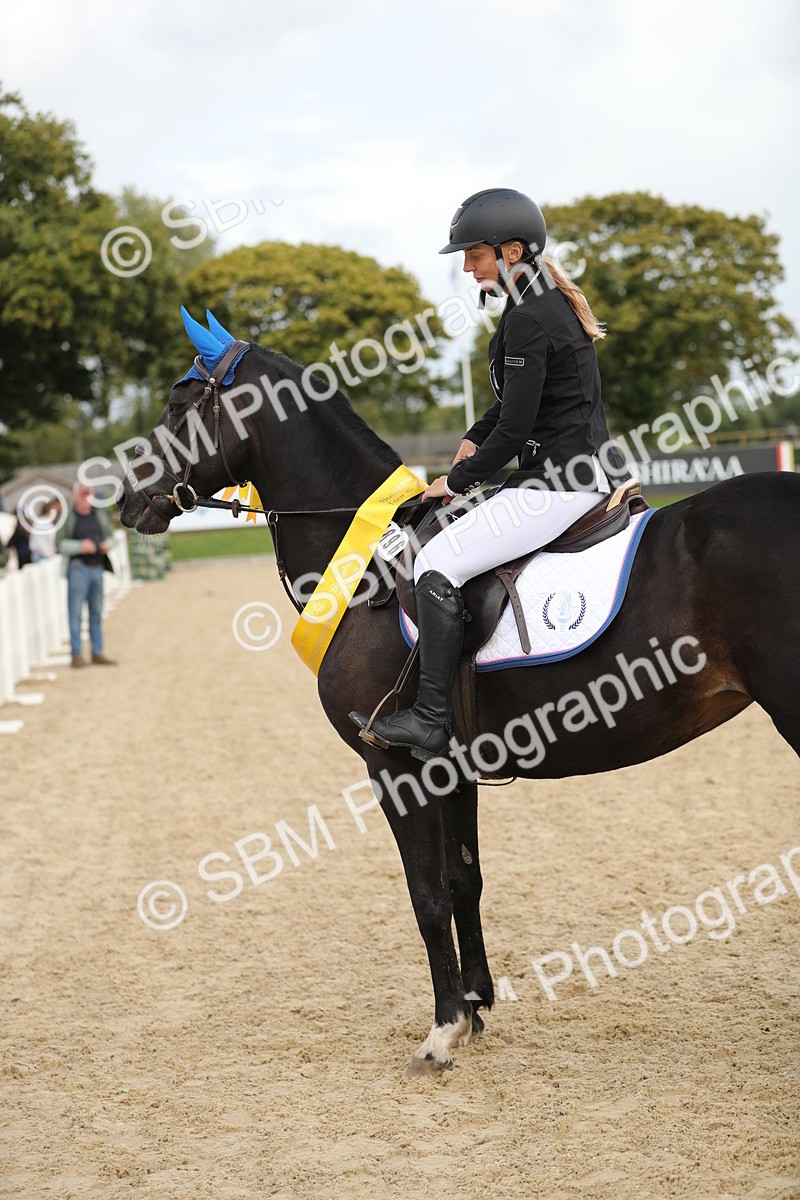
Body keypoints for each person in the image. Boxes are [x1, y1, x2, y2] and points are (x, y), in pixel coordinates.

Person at [351, 187, 631, 761]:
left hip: (560, 484)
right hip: (567, 473)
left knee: (434, 564)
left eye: (474, 255)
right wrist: (475, 436)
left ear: (511, 252)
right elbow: (514, 407)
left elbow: (516, 428)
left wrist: (456, 481)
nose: (466, 267)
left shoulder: (530, 317)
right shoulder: (538, 302)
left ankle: (430, 720)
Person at [57, 483, 117, 668]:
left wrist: (108, 544)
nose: (85, 497)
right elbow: (59, 543)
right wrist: (79, 546)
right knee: (75, 614)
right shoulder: (69, 517)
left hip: (97, 567)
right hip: (78, 568)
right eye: (82, 494)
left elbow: (111, 536)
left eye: (88, 493)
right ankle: (76, 654)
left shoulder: (99, 514)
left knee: (96, 613)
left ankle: (97, 652)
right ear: (76, 495)